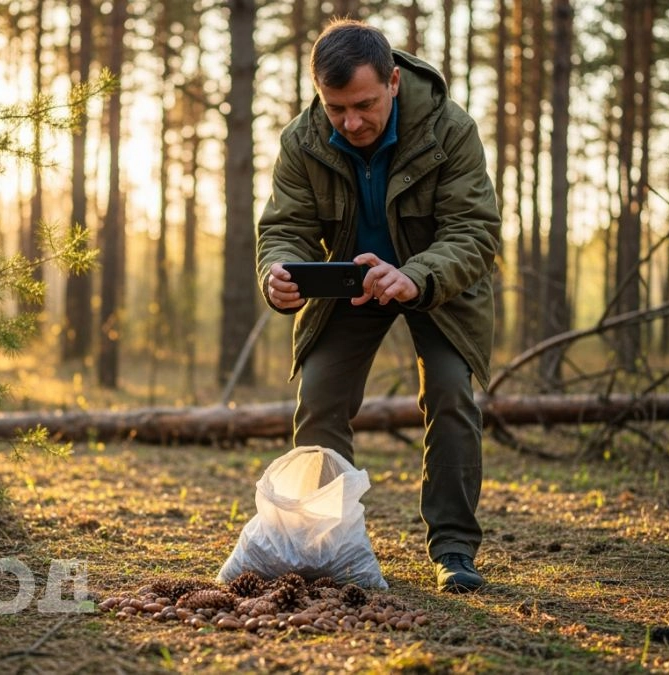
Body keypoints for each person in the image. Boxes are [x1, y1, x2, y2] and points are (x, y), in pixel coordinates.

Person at [255, 18, 502, 593]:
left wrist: (414, 277)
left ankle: (454, 549)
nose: (351, 122)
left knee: (449, 393)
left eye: (364, 104)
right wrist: (280, 275)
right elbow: (285, 227)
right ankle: (324, 545)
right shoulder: (302, 140)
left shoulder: (451, 129)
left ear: (393, 80)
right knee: (318, 400)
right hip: (346, 284)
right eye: (336, 107)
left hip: (435, 285)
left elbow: (474, 231)